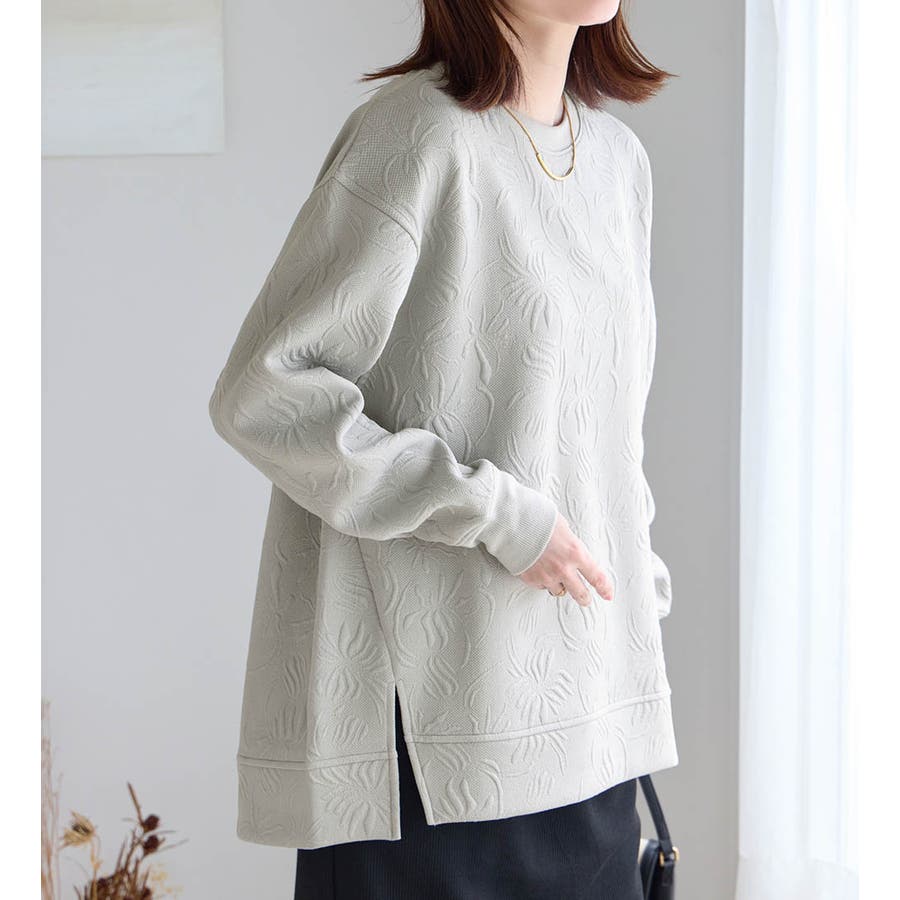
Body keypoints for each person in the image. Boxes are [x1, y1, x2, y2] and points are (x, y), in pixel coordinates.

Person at [207, 1, 678, 896]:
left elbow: (609, 426)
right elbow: (264, 392)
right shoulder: (415, 136)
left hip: (593, 715)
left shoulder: (620, 163)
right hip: (435, 734)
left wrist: (634, 588)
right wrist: (497, 514)